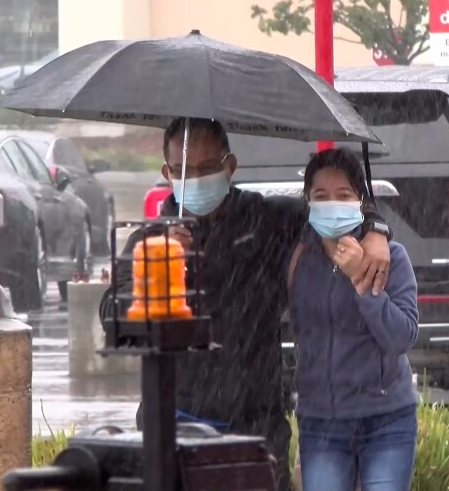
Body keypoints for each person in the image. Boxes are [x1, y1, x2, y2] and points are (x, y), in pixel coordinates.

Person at [99, 117, 392, 491]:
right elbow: (112, 314)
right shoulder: (149, 241)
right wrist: (160, 273)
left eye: (208, 168)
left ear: (230, 167)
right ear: (167, 173)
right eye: (185, 170)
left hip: (257, 425)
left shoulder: (267, 220)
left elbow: (337, 212)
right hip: (175, 423)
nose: (196, 179)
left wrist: (377, 230)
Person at [287, 149, 418, 491]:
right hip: (321, 422)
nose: (332, 204)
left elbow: (402, 337)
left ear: (361, 200)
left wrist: (363, 282)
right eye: (321, 196)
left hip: (386, 419)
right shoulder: (298, 258)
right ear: (307, 201)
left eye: (343, 195)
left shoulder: (391, 258)